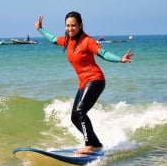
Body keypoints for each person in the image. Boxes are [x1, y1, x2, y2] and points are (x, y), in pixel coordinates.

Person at [34, 11, 134, 154]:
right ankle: (96, 144)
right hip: (83, 83)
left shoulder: (87, 41)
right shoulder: (67, 40)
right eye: (67, 26)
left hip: (95, 80)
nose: (70, 28)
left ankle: (89, 144)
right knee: (75, 117)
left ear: (80, 25)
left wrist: (120, 59)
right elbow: (53, 39)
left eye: (73, 25)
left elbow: (103, 53)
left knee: (80, 112)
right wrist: (40, 28)